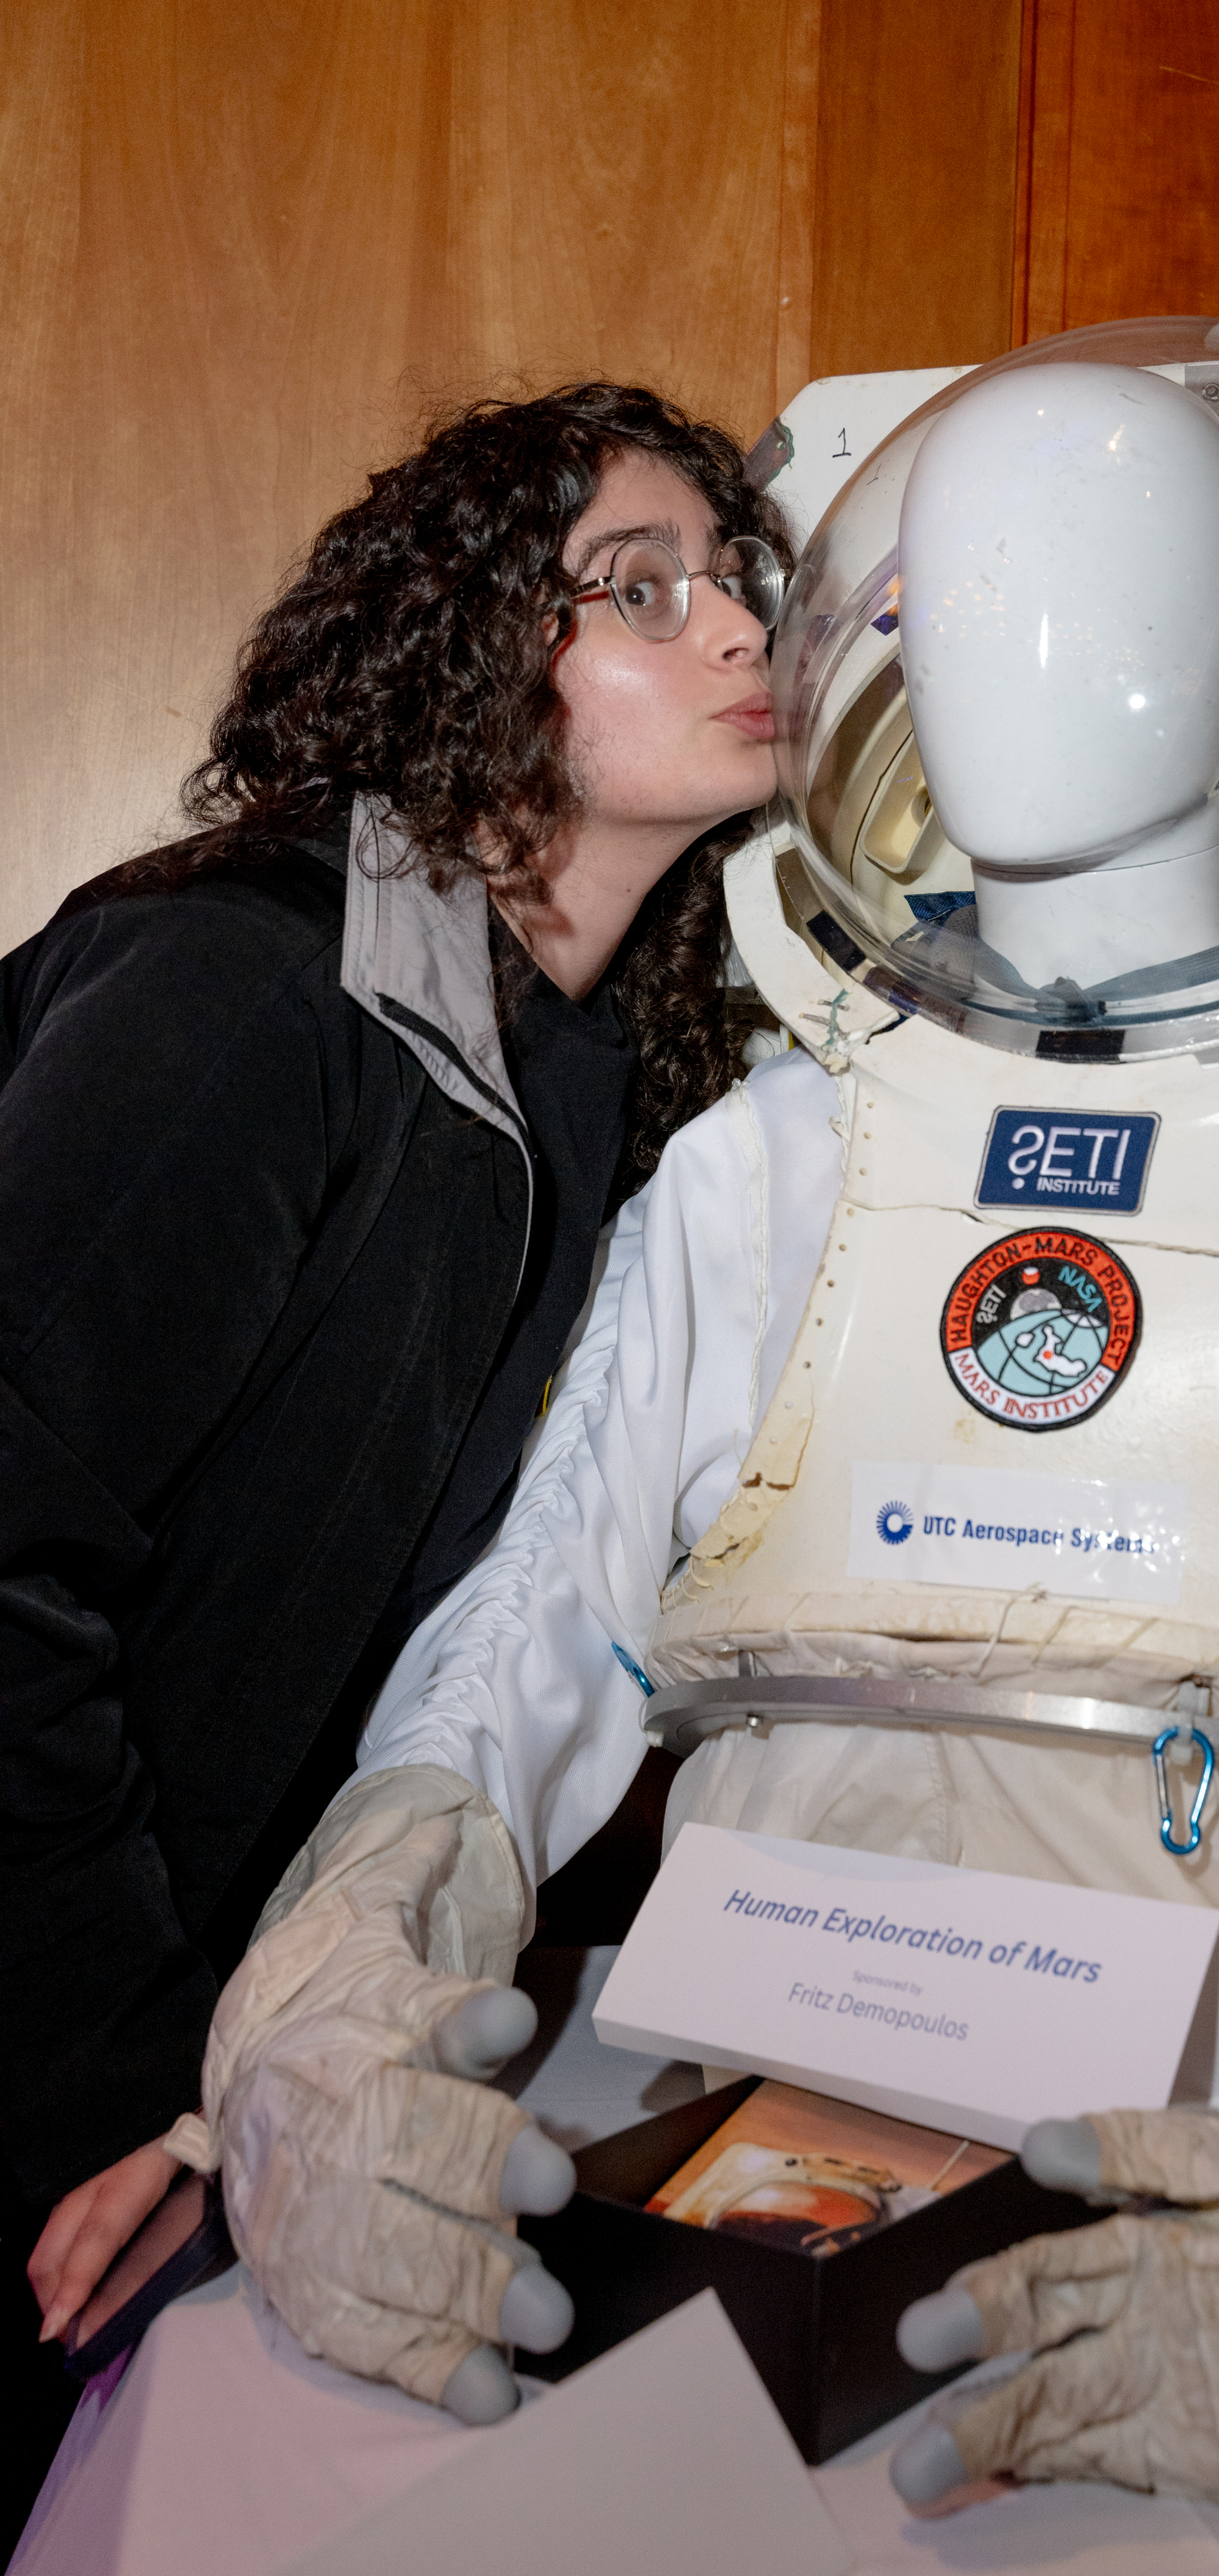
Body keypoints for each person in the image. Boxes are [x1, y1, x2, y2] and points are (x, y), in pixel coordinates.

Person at [156, 339, 1219, 2476]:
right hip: (728, 2232)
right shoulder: (776, 1160)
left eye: (1104, 585)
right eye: (965, 592)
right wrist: (318, 2008)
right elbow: (530, 1641)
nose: (1025, 650)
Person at [1, 380, 790, 2494]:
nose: (739, 635)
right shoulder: (235, 993)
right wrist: (125, 2073)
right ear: (458, 646)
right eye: (644, 589)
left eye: (742, 583)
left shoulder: (606, 1091)